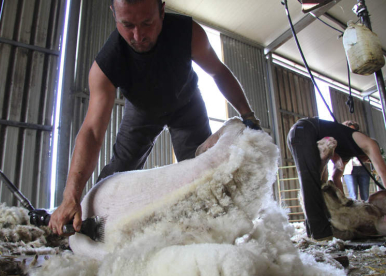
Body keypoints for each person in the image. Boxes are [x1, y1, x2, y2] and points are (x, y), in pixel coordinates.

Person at [49, 0, 261, 235]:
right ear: (114, 15)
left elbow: (218, 71)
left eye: (147, 23)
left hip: (187, 104)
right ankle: (91, 224)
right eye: (127, 25)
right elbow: (91, 131)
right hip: (142, 111)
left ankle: (209, 229)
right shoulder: (107, 64)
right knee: (118, 170)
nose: (138, 36)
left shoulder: (188, 33)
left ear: (162, 11)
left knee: (201, 174)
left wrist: (247, 114)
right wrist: (71, 196)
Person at [287, 117, 386, 240]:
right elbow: (383, 172)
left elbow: (336, 177)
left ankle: (312, 231)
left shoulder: (348, 153)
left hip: (302, 135)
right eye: (371, 157)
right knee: (310, 180)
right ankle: (321, 235)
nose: (369, 161)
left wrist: (344, 205)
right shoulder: (369, 143)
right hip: (305, 130)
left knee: (314, 182)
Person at [341, 121, 371, 201]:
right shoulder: (342, 141)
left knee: (365, 195)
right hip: (349, 170)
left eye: (353, 130)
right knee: (353, 196)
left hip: (363, 168)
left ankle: (367, 212)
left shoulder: (361, 140)